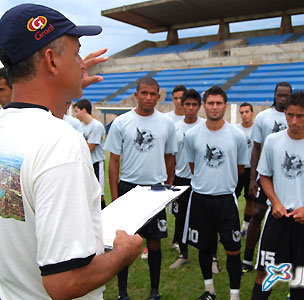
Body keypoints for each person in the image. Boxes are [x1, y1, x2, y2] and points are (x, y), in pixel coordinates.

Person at [0, 4, 142, 300]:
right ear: (51, 60)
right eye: (76, 52)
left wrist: (64, 91)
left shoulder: (9, 128)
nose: (82, 63)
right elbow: (65, 282)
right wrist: (123, 253)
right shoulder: (59, 142)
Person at [251, 91, 304, 300]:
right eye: (290, 115)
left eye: (299, 116)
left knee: (300, 276)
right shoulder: (272, 141)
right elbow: (265, 175)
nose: (294, 121)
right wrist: (276, 202)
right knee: (264, 273)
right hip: (277, 217)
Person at [105, 76, 177, 300]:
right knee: (124, 244)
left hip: (155, 190)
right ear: (136, 95)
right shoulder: (121, 122)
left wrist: (168, 188)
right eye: (144, 93)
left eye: (152, 93)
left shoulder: (166, 123)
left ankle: (155, 291)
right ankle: (122, 293)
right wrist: (116, 196)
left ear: (158, 95)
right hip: (128, 188)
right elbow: (114, 161)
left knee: (154, 243)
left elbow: (169, 157)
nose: (148, 97)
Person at [183, 85, 248, 300]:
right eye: (210, 103)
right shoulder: (192, 135)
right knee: (203, 247)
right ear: (204, 106)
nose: (214, 107)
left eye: (218, 103)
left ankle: (234, 295)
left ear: (225, 106)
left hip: (226, 201)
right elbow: (194, 165)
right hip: (200, 199)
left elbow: (240, 168)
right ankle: (209, 290)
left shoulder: (237, 136)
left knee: (233, 250)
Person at [242, 82, 292, 274]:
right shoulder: (263, 117)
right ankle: (247, 258)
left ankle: (284, 259)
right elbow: (256, 148)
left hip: (287, 177)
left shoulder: (295, 116)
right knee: (257, 215)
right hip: (266, 176)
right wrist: (253, 178)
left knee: (287, 218)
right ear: (274, 95)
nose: (282, 99)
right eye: (279, 95)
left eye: (286, 95)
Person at [169, 88, 205, 269]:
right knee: (181, 217)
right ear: (182, 105)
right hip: (181, 178)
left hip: (202, 179)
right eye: (187, 104)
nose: (191, 108)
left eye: (194, 104)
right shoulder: (175, 128)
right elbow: (171, 156)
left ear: (199, 106)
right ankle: (183, 253)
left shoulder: (206, 125)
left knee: (205, 217)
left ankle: (210, 254)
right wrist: (170, 182)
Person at [74, 99, 106, 209]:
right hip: (85, 164)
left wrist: (83, 145)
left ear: (84, 110)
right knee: (87, 193)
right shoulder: (81, 127)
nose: (75, 115)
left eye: (77, 111)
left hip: (96, 164)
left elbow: (89, 148)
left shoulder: (97, 126)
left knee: (99, 194)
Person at [235, 102, 255, 237]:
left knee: (250, 199)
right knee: (232, 199)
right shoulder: (235, 130)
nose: (244, 115)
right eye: (241, 112)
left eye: (247, 112)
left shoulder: (257, 130)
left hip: (252, 170)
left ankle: (246, 227)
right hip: (237, 169)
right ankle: (232, 227)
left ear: (252, 113)